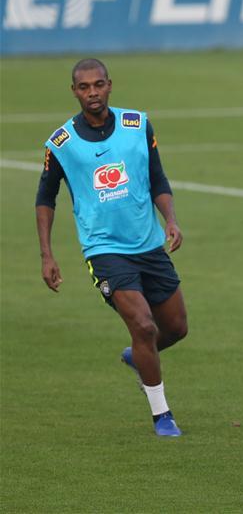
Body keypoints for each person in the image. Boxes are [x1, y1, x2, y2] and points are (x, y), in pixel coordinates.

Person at [36, 58, 188, 437]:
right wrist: (47, 254)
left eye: (98, 85)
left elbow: (158, 178)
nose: (92, 93)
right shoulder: (62, 144)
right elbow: (45, 198)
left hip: (149, 243)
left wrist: (170, 219)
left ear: (109, 85)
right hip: (103, 249)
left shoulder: (138, 125)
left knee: (176, 328)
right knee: (142, 324)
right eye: (84, 87)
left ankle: (137, 356)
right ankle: (162, 415)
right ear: (74, 91)